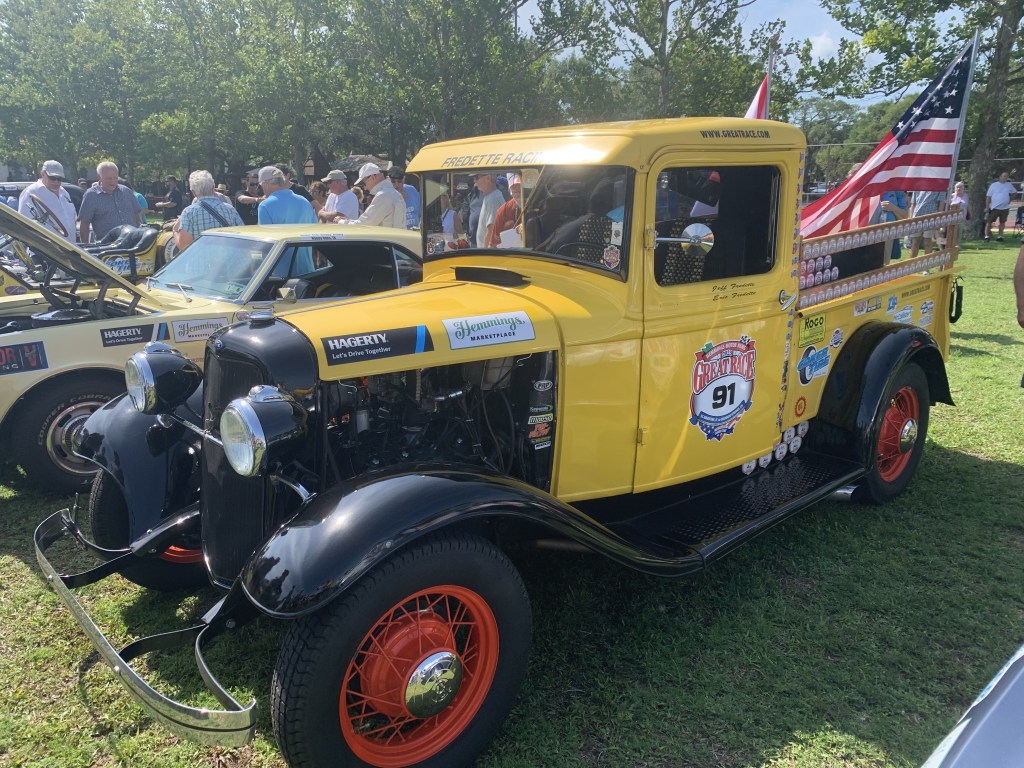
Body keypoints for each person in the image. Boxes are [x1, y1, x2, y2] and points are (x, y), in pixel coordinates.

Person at [173, 170, 244, 252]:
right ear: (213, 188)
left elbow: (184, 247)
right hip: (227, 258)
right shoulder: (230, 209)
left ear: (193, 193)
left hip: (201, 259)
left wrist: (175, 231)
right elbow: (243, 238)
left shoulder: (188, 212)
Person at [78, 161, 142, 243]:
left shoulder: (126, 191)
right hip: (107, 246)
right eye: (108, 179)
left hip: (132, 244)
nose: (112, 182)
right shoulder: (91, 195)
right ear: (99, 177)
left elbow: (137, 217)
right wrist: (85, 246)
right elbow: (84, 224)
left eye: (115, 178)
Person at [17, 160, 77, 242]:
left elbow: (73, 220)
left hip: (70, 246)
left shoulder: (64, 193)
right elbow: (24, 224)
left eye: (59, 179)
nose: (56, 182)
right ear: (42, 174)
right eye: (52, 178)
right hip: (45, 247)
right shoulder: (31, 192)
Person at [337, 163, 405, 228]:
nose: (365, 188)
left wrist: (341, 221)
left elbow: (364, 224)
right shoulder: (395, 193)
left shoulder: (383, 195)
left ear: (373, 177)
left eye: (364, 183)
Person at [487, 173, 523, 247]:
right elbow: (493, 245)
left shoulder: (541, 205)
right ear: (510, 192)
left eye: (522, 190)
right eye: (515, 191)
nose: (520, 195)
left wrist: (526, 226)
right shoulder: (504, 211)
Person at [908, 189, 946, 258]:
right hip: (917, 217)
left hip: (931, 217)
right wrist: (911, 218)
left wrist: (938, 219)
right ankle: (912, 263)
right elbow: (913, 204)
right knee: (915, 241)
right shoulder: (918, 186)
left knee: (928, 241)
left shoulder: (940, 187)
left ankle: (927, 264)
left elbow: (941, 204)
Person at [474, 173, 505, 248]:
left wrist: (486, 251)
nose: (474, 181)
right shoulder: (491, 196)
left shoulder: (493, 199)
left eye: (476, 178)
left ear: (488, 178)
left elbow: (492, 228)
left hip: (489, 252)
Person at [984, 171, 1016, 241]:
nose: (1006, 178)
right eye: (1004, 176)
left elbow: (1014, 192)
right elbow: (988, 197)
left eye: (1007, 176)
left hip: (1005, 208)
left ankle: (1000, 236)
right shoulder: (993, 185)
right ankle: (986, 236)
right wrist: (987, 207)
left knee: (1002, 222)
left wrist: (1010, 199)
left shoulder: (1009, 185)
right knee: (989, 222)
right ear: (1000, 177)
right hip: (994, 207)